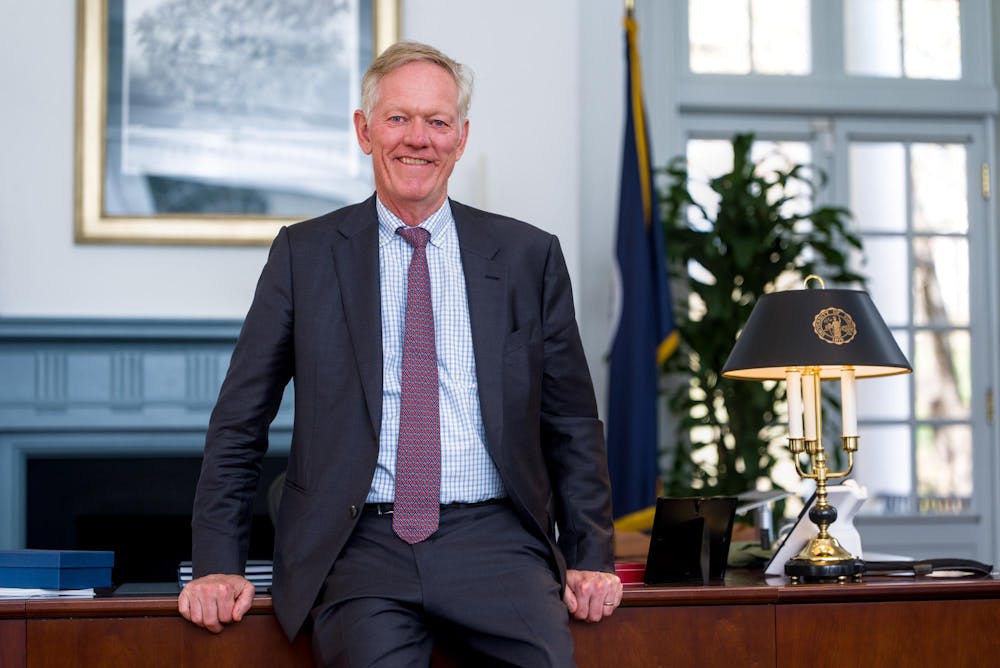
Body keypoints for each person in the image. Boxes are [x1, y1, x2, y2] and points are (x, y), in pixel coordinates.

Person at [178, 40, 621, 666]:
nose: (419, 138)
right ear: (365, 130)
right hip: (359, 544)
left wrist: (589, 557)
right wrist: (216, 565)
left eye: (437, 122)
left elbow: (572, 420)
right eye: (398, 118)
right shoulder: (304, 256)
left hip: (495, 539)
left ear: (461, 138)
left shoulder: (529, 257)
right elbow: (240, 422)